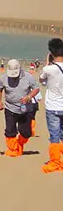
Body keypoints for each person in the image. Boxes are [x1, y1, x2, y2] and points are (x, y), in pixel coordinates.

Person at [0, 59, 39, 157]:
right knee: (10, 132)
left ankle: (19, 144)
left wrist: (28, 97)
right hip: (10, 108)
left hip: (25, 109)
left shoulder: (28, 77)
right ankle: (13, 150)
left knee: (26, 133)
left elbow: (36, 88)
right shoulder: (3, 78)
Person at [39, 37, 63, 173]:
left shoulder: (48, 69)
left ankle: (55, 161)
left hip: (53, 106)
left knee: (54, 136)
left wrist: (48, 63)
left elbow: (41, 80)